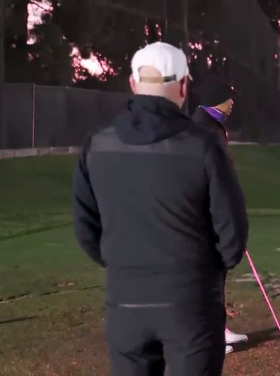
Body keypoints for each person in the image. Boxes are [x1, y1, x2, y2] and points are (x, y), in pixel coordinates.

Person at [72, 42, 249, 375]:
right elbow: (232, 234)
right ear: (183, 85)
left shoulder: (98, 143)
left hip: (126, 304)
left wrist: (124, 265)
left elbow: (86, 229)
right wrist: (206, 274)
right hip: (191, 305)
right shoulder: (204, 144)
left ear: (134, 85)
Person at [191, 80, 248, 354]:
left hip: (214, 213)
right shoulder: (202, 127)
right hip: (205, 216)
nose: (233, 103)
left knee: (217, 275)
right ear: (217, 100)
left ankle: (218, 330)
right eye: (229, 99)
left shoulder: (211, 124)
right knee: (206, 276)